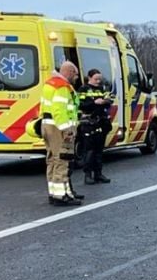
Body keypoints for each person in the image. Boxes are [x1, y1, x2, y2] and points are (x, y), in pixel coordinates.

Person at [42, 61, 82, 205]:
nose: (76, 77)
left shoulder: (49, 84)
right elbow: (59, 110)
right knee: (62, 159)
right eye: (75, 74)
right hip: (58, 128)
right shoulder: (62, 87)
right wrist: (66, 130)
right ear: (70, 72)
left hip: (47, 125)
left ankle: (54, 193)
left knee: (52, 160)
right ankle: (61, 196)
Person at [76, 68, 113, 185]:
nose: (98, 81)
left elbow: (110, 99)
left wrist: (105, 101)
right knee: (89, 150)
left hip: (101, 122)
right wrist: (94, 103)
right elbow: (80, 104)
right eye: (96, 79)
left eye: (100, 79)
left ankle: (98, 174)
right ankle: (88, 175)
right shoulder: (83, 89)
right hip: (88, 123)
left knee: (99, 150)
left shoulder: (102, 88)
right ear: (89, 77)